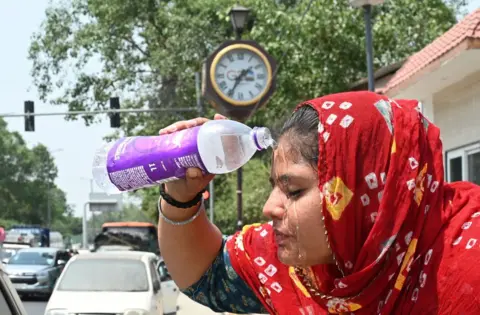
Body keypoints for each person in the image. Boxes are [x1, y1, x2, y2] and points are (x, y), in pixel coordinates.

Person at [157, 91, 480, 314]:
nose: (269, 208)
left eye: (293, 191)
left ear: (368, 197)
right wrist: (180, 195)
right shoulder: (304, 266)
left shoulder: (467, 263)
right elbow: (207, 276)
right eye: (275, 187)